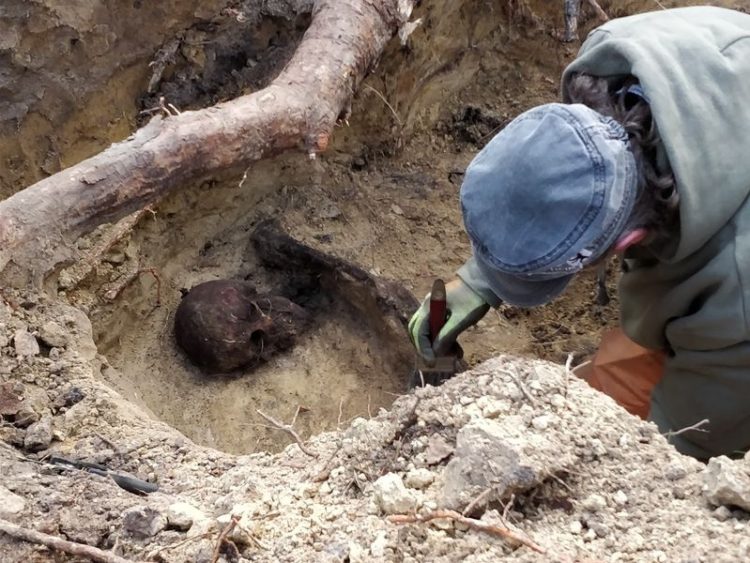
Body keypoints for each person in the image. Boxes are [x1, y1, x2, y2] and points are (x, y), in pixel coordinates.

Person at [408, 5, 750, 460]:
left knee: (631, 428)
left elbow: (685, 445)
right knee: (612, 378)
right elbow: (570, 170)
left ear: (628, 242)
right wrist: (480, 278)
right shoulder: (609, 62)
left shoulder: (736, 293)